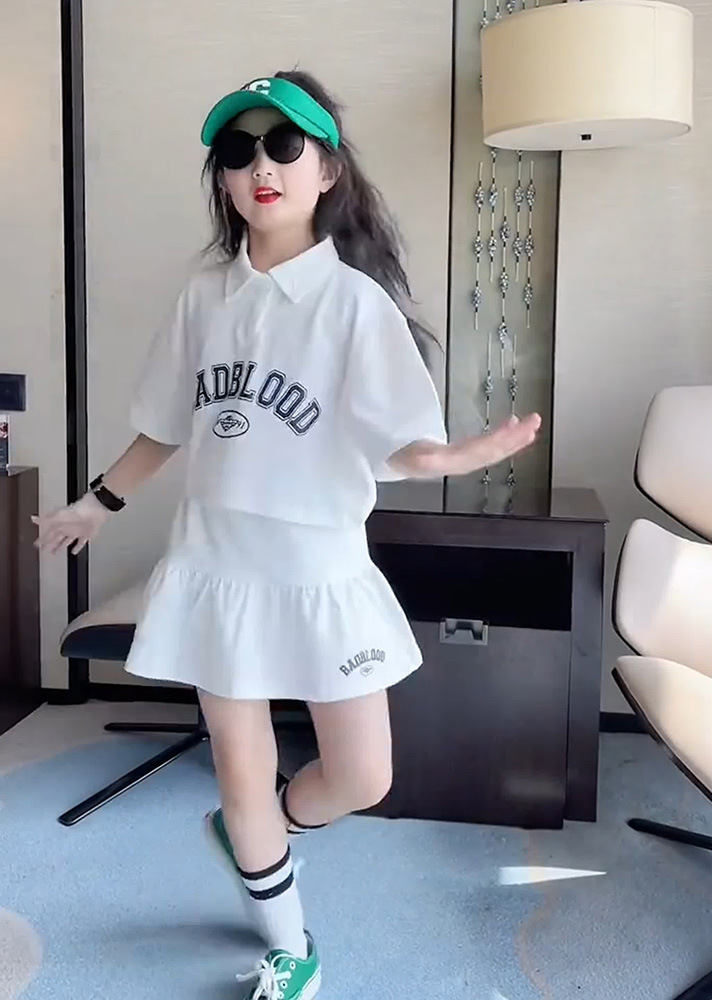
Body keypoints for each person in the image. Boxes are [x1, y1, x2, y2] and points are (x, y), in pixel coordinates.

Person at [34, 70, 541, 1000]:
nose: (260, 167)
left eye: (283, 145)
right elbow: (164, 426)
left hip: (321, 574)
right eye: (238, 151)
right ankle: (289, 944)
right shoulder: (203, 296)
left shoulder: (355, 304)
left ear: (328, 169)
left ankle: (262, 836)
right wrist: (94, 504)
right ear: (223, 179)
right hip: (217, 568)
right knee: (241, 768)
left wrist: (456, 456)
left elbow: (402, 444)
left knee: (361, 777)